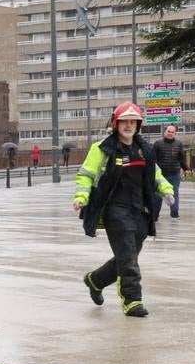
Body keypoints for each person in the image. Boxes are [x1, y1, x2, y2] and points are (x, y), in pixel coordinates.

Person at [72, 102, 176, 318]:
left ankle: (95, 280)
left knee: (127, 255)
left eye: (132, 122)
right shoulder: (102, 148)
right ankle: (132, 301)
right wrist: (81, 197)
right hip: (114, 209)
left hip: (139, 209)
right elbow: (86, 175)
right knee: (128, 255)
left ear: (138, 125)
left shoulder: (145, 149)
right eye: (124, 122)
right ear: (115, 124)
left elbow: (155, 174)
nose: (128, 126)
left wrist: (166, 190)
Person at [151, 123, 189, 220]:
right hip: (161, 175)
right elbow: (153, 159)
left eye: (172, 132)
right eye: (168, 131)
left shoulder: (178, 144)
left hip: (174, 174)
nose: (170, 133)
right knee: (158, 195)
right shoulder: (157, 144)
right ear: (165, 132)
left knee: (174, 193)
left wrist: (186, 169)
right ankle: (155, 215)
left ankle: (174, 214)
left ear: (175, 134)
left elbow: (181, 159)